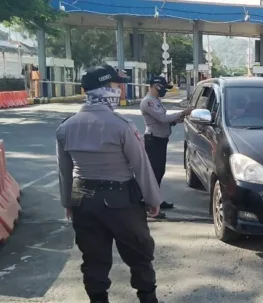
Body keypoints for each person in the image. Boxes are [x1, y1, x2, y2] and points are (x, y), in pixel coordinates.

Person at [56, 64, 163, 303]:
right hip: (122, 203)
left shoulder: (66, 127)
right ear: (104, 90)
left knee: (93, 258)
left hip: (83, 200)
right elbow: (141, 167)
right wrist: (153, 200)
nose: (120, 90)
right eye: (116, 86)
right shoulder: (122, 126)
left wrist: (68, 202)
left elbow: (64, 171)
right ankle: (148, 299)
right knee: (140, 256)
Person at [140, 76, 193, 218]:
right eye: (163, 87)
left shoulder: (156, 101)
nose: (165, 91)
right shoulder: (148, 102)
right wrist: (183, 112)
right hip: (153, 141)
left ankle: (156, 200)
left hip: (160, 140)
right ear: (156, 86)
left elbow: (163, 121)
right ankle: (149, 204)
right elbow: (162, 118)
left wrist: (176, 120)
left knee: (159, 172)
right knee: (154, 173)